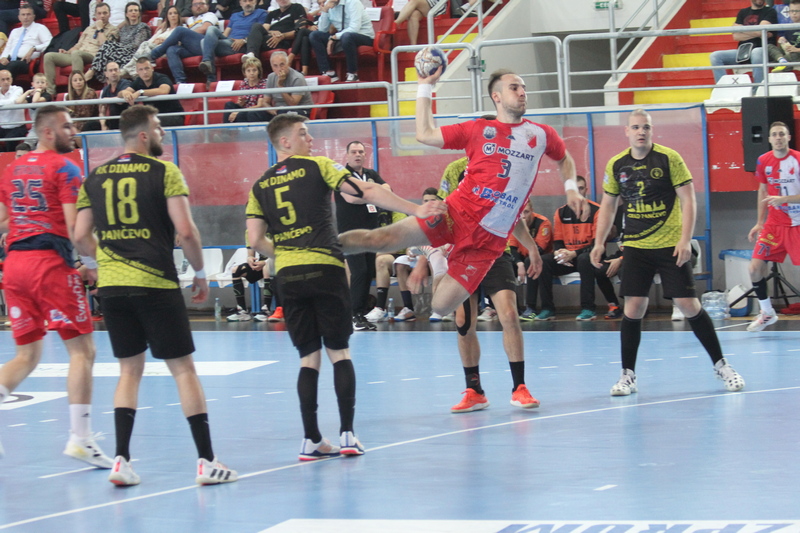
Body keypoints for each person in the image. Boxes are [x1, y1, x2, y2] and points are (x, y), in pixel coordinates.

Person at [340, 69, 584, 411]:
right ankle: (320, 245)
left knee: (442, 307)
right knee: (382, 238)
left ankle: (517, 386)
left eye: (524, 87)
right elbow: (424, 133)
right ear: (496, 96)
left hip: (487, 246)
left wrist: (570, 189)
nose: (522, 92)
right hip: (452, 215)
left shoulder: (540, 135)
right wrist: (424, 85)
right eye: (514, 87)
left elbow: (564, 159)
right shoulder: (477, 130)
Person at [245, 114, 444, 461]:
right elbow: (365, 191)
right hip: (325, 267)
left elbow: (255, 240)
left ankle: (311, 440)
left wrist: (288, 254)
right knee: (339, 352)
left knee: (308, 358)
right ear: (284, 142)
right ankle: (348, 435)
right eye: (303, 134)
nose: (310, 139)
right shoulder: (319, 166)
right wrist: (417, 209)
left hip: (289, 276)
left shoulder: (259, 186)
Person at [73, 105, 237, 486]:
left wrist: (102, 262)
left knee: (129, 371)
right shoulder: (164, 171)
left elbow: (80, 235)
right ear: (144, 135)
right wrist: (200, 273)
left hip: (113, 287)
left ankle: (121, 460)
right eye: (159, 127)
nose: (163, 132)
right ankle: (206, 461)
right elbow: (187, 231)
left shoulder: (94, 177)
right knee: (183, 370)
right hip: (156, 283)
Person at [590, 109, 746, 396]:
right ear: (627, 131)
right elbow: (608, 205)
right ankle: (627, 375)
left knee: (689, 305)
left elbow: (689, 200)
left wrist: (685, 240)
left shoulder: (669, 158)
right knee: (633, 308)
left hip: (670, 245)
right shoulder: (616, 164)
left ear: (652, 130)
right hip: (635, 246)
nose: (641, 132)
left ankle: (722, 366)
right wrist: (599, 242)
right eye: (635, 127)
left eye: (646, 127)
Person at [0, 104, 112, 467]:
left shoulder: (13, 168)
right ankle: (81, 438)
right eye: (67, 126)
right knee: (83, 351)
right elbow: (75, 230)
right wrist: (95, 264)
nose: (73, 131)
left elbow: (3, 220)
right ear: (48, 132)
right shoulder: (65, 167)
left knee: (27, 356)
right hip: (48, 264)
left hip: (14, 266)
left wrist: (26, 223)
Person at [536, 175, 621, 322]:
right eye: (574, 189)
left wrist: (573, 253)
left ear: (586, 190)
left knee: (584, 259)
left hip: (591, 257)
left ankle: (588, 308)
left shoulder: (597, 211)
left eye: (580, 188)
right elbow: (558, 241)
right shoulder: (560, 212)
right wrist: (560, 253)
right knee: (544, 261)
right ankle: (547, 309)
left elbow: (596, 245)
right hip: (569, 258)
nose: (578, 192)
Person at [744, 121, 800, 332]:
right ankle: (767, 312)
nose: (778, 138)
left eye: (782, 134)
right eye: (774, 134)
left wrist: (785, 200)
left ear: (789, 137)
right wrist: (760, 222)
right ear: (769, 139)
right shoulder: (763, 161)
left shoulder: (797, 159)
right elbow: (762, 191)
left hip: (797, 223)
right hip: (774, 225)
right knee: (754, 268)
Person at [334, 140, 388, 331]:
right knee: (359, 272)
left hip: (370, 233)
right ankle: (353, 314)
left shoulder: (371, 174)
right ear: (347, 155)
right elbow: (350, 198)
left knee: (368, 272)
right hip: (351, 234)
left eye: (361, 152)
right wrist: (374, 194)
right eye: (354, 152)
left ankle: (360, 314)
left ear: (365, 155)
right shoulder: (342, 175)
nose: (358, 155)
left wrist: (369, 193)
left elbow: (387, 189)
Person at [44, 2, 112, 96]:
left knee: (77, 53)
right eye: (99, 13)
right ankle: (50, 92)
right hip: (78, 54)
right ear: (95, 15)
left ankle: (76, 90)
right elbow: (78, 45)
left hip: (94, 56)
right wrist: (67, 52)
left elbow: (106, 46)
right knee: (49, 56)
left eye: (105, 13)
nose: (102, 16)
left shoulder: (113, 29)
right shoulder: (89, 29)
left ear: (109, 14)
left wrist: (100, 29)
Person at [708, 0, 783, 85]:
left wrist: (741, 28)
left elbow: (760, 31)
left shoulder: (770, 11)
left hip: (764, 50)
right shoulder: (743, 12)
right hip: (743, 52)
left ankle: (758, 89)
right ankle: (722, 87)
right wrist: (757, 33)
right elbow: (736, 36)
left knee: (756, 52)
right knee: (715, 56)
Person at [147, 0, 218, 84]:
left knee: (180, 30)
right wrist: (166, 22)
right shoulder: (191, 19)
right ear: (191, 8)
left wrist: (185, 36)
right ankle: (180, 81)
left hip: (205, 45)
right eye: (195, 4)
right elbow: (179, 18)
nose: (198, 6)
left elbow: (204, 29)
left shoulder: (210, 15)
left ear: (208, 6)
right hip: (192, 48)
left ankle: (154, 54)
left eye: (201, 4)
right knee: (171, 49)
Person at [198, 0, 267, 84]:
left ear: (255, 2)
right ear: (240, 3)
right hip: (230, 42)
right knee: (210, 31)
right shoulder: (235, 15)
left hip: (244, 44)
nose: (248, 3)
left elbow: (260, 32)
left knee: (204, 43)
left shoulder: (261, 13)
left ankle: (211, 78)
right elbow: (226, 34)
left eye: (250, 0)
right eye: (245, 1)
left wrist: (244, 40)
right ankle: (207, 62)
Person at [509, 196, 553, 321]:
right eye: (520, 212)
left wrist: (525, 232)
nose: (523, 216)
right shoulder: (514, 223)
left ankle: (531, 307)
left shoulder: (543, 223)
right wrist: (519, 263)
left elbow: (540, 249)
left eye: (526, 212)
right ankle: (513, 309)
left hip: (541, 259)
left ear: (532, 211)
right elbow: (512, 248)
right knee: (505, 264)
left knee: (530, 262)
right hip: (522, 258)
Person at [309, 0, 374, 82]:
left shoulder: (353, 2)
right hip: (343, 36)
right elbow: (322, 29)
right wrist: (325, 11)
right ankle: (329, 72)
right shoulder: (328, 4)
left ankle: (353, 73)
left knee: (346, 36)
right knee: (315, 35)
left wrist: (334, 37)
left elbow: (355, 28)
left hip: (363, 36)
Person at [86, 2, 151, 83]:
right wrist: (117, 47)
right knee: (107, 48)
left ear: (139, 14)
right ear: (126, 14)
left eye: (136, 10)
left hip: (133, 54)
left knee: (107, 45)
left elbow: (136, 45)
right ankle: (100, 76)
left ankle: (92, 71)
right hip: (121, 53)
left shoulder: (143, 27)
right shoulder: (124, 29)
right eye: (131, 11)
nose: (133, 12)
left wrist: (118, 47)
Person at [119, 57, 185, 126]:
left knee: (146, 122)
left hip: (174, 115)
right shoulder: (138, 81)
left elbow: (164, 90)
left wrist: (140, 92)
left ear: (152, 68)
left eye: (147, 68)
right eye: (141, 69)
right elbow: (121, 93)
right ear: (137, 72)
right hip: (154, 117)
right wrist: (125, 93)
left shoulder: (162, 78)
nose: (144, 72)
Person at [122, 5, 182, 78]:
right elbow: (150, 41)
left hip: (164, 50)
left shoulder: (181, 29)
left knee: (146, 46)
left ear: (179, 15)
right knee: (145, 44)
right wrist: (155, 42)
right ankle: (136, 70)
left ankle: (129, 69)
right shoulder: (162, 30)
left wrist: (163, 41)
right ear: (167, 17)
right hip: (153, 47)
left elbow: (180, 43)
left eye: (175, 13)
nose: (173, 15)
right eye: (170, 13)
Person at [240, 0, 305, 64]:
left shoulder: (297, 7)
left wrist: (282, 36)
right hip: (268, 38)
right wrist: (271, 32)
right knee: (256, 26)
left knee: (248, 43)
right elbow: (263, 29)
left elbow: (300, 30)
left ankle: (251, 55)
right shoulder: (272, 13)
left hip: (283, 40)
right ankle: (251, 55)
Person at [394, 0, 477, 46]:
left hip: (438, 4)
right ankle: (413, 47)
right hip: (424, 4)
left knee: (414, 2)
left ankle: (395, 24)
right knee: (414, 15)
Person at [0, 5, 51, 78]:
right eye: (23, 15)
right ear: (19, 17)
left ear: (33, 16)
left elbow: (50, 43)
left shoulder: (40, 28)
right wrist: (3, 58)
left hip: (27, 62)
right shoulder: (15, 31)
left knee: (13, 66)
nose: (25, 17)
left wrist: (34, 48)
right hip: (10, 60)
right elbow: (8, 48)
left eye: (28, 14)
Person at [263, 51, 312, 116]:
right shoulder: (271, 77)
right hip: (278, 110)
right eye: (275, 66)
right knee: (253, 114)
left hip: (300, 110)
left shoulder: (297, 78)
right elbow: (265, 102)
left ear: (288, 64)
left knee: (282, 112)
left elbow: (293, 104)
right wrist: (271, 110)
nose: (279, 69)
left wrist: (280, 85)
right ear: (271, 66)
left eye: (282, 65)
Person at [223, 56, 268, 123]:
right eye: (248, 71)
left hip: (256, 111)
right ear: (245, 73)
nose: (251, 73)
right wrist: (241, 103)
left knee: (242, 114)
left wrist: (239, 112)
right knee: (229, 104)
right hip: (244, 110)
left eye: (254, 70)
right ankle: (226, 128)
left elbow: (260, 105)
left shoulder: (263, 84)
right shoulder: (244, 83)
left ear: (259, 71)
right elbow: (241, 104)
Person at [98, 61, 131, 129]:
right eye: (110, 70)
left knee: (114, 107)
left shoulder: (126, 83)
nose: (113, 72)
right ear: (106, 74)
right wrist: (103, 125)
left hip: (128, 119)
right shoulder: (105, 89)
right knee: (90, 125)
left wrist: (106, 100)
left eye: (116, 70)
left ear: (120, 71)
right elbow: (102, 111)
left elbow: (121, 101)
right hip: (113, 120)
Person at [0, 70, 26, 151]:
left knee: (9, 140)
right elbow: (11, 102)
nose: (6, 82)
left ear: (11, 79)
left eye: (8, 79)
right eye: (3, 79)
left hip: (18, 127)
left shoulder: (18, 89)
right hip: (2, 127)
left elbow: (13, 102)